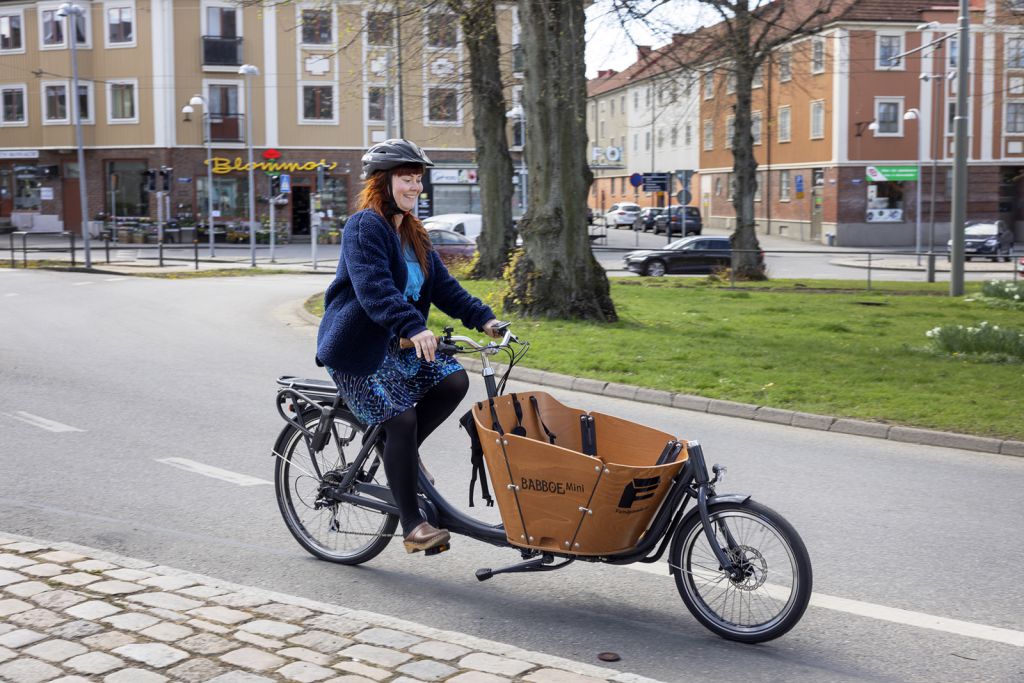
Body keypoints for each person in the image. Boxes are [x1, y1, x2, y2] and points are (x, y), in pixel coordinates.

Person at [316, 138, 502, 554]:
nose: (415, 187)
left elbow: (445, 289)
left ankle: (402, 456)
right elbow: (374, 289)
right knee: (400, 421)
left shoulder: (414, 232)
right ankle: (413, 526)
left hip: (394, 345)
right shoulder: (365, 226)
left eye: (418, 180)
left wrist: (485, 318)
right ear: (383, 182)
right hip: (357, 352)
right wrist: (414, 327)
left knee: (453, 380)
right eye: (406, 178)